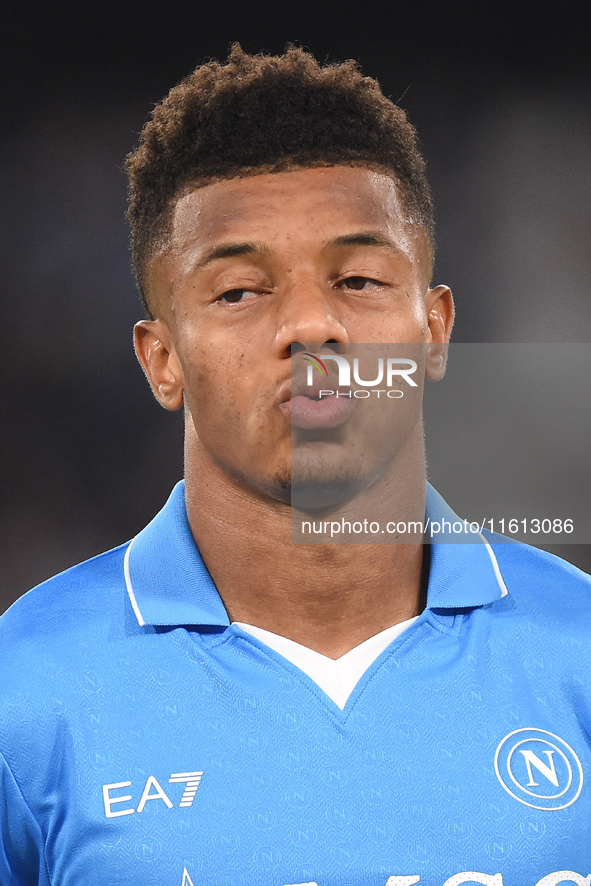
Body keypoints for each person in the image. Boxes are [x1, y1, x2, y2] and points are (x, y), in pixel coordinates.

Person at [0, 45, 589, 886]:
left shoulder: (578, 652)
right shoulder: (24, 693)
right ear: (161, 359)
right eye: (240, 291)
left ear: (434, 331)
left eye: (356, 279)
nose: (311, 325)